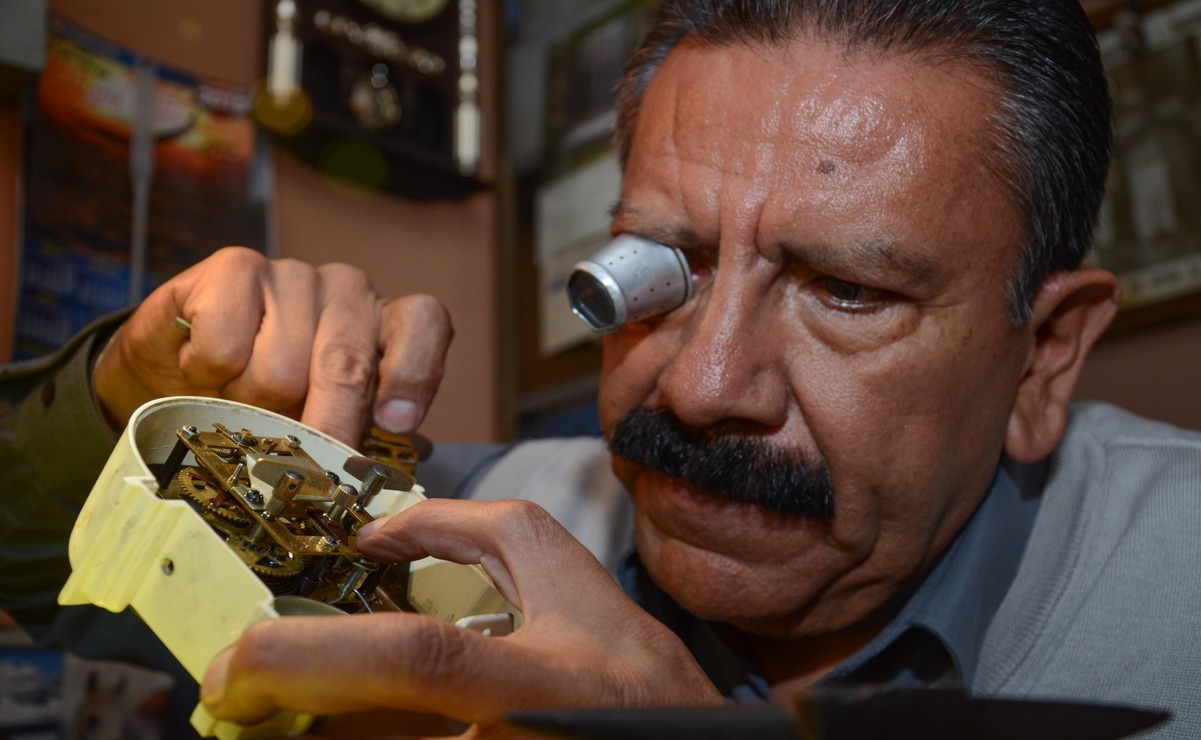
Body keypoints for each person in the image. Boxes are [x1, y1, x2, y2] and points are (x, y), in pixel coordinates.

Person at [3, 0, 1200, 737]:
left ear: (1044, 357)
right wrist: (128, 384)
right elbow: (27, 557)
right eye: (658, 268)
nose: (699, 384)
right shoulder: (481, 515)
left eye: (848, 290)